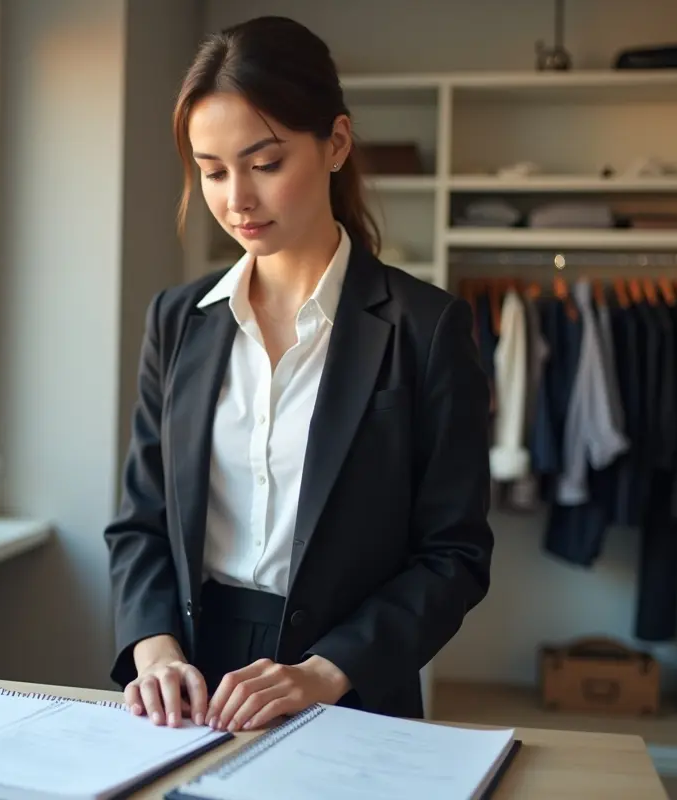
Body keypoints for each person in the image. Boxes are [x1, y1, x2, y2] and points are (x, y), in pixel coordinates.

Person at [104, 15, 493, 735]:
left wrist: (324, 672)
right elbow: (140, 521)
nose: (236, 200)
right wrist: (153, 648)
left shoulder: (426, 328)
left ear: (336, 143)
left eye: (265, 163)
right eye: (213, 171)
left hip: (348, 685)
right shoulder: (177, 320)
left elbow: (455, 556)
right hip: (189, 689)